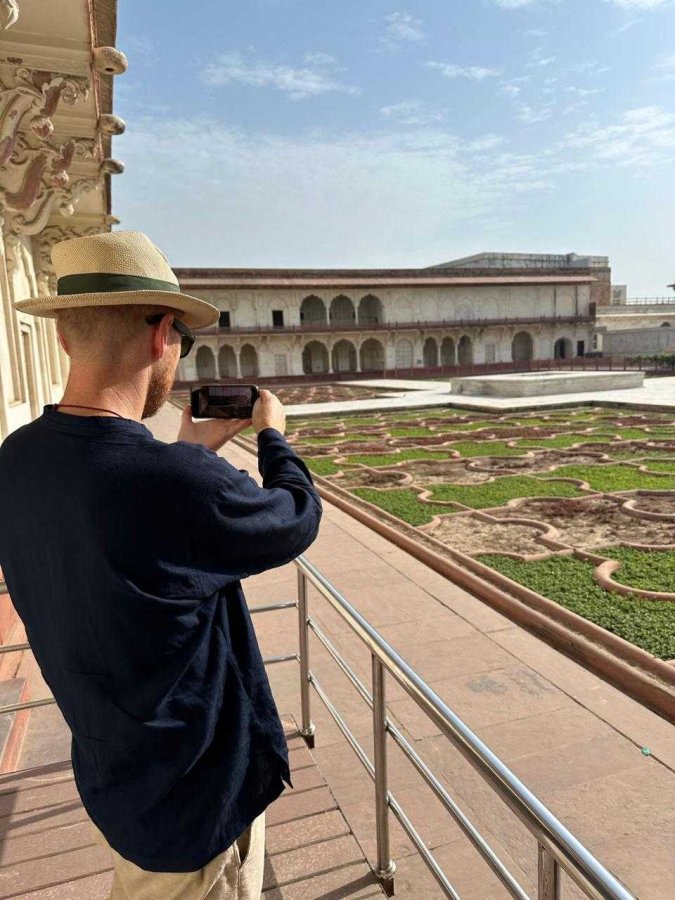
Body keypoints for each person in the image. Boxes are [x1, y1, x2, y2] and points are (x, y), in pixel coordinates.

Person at [0, 230, 322, 899]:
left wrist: (191, 456)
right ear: (161, 336)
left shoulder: (18, 457)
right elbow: (295, 517)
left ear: (63, 337)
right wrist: (273, 437)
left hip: (115, 774)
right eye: (183, 339)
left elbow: (130, 535)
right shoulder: (172, 482)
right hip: (193, 803)